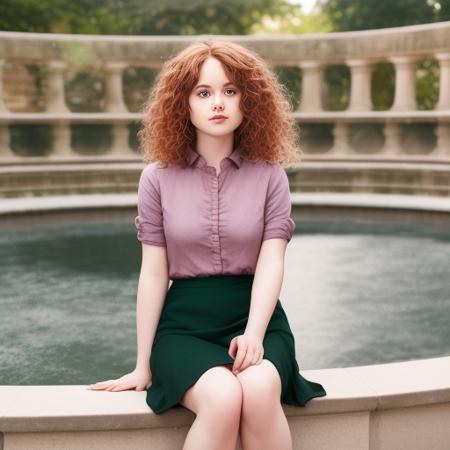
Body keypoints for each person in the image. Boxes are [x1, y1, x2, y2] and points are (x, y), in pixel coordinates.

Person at [87, 40, 327, 450]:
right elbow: (153, 272)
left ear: (248, 100)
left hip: (257, 320)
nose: (218, 103)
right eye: (204, 92)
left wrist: (254, 334)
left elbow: (272, 263)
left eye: (230, 91)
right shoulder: (156, 178)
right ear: (184, 103)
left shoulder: (271, 176)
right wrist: (142, 364)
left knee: (257, 390)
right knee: (221, 396)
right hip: (184, 327)